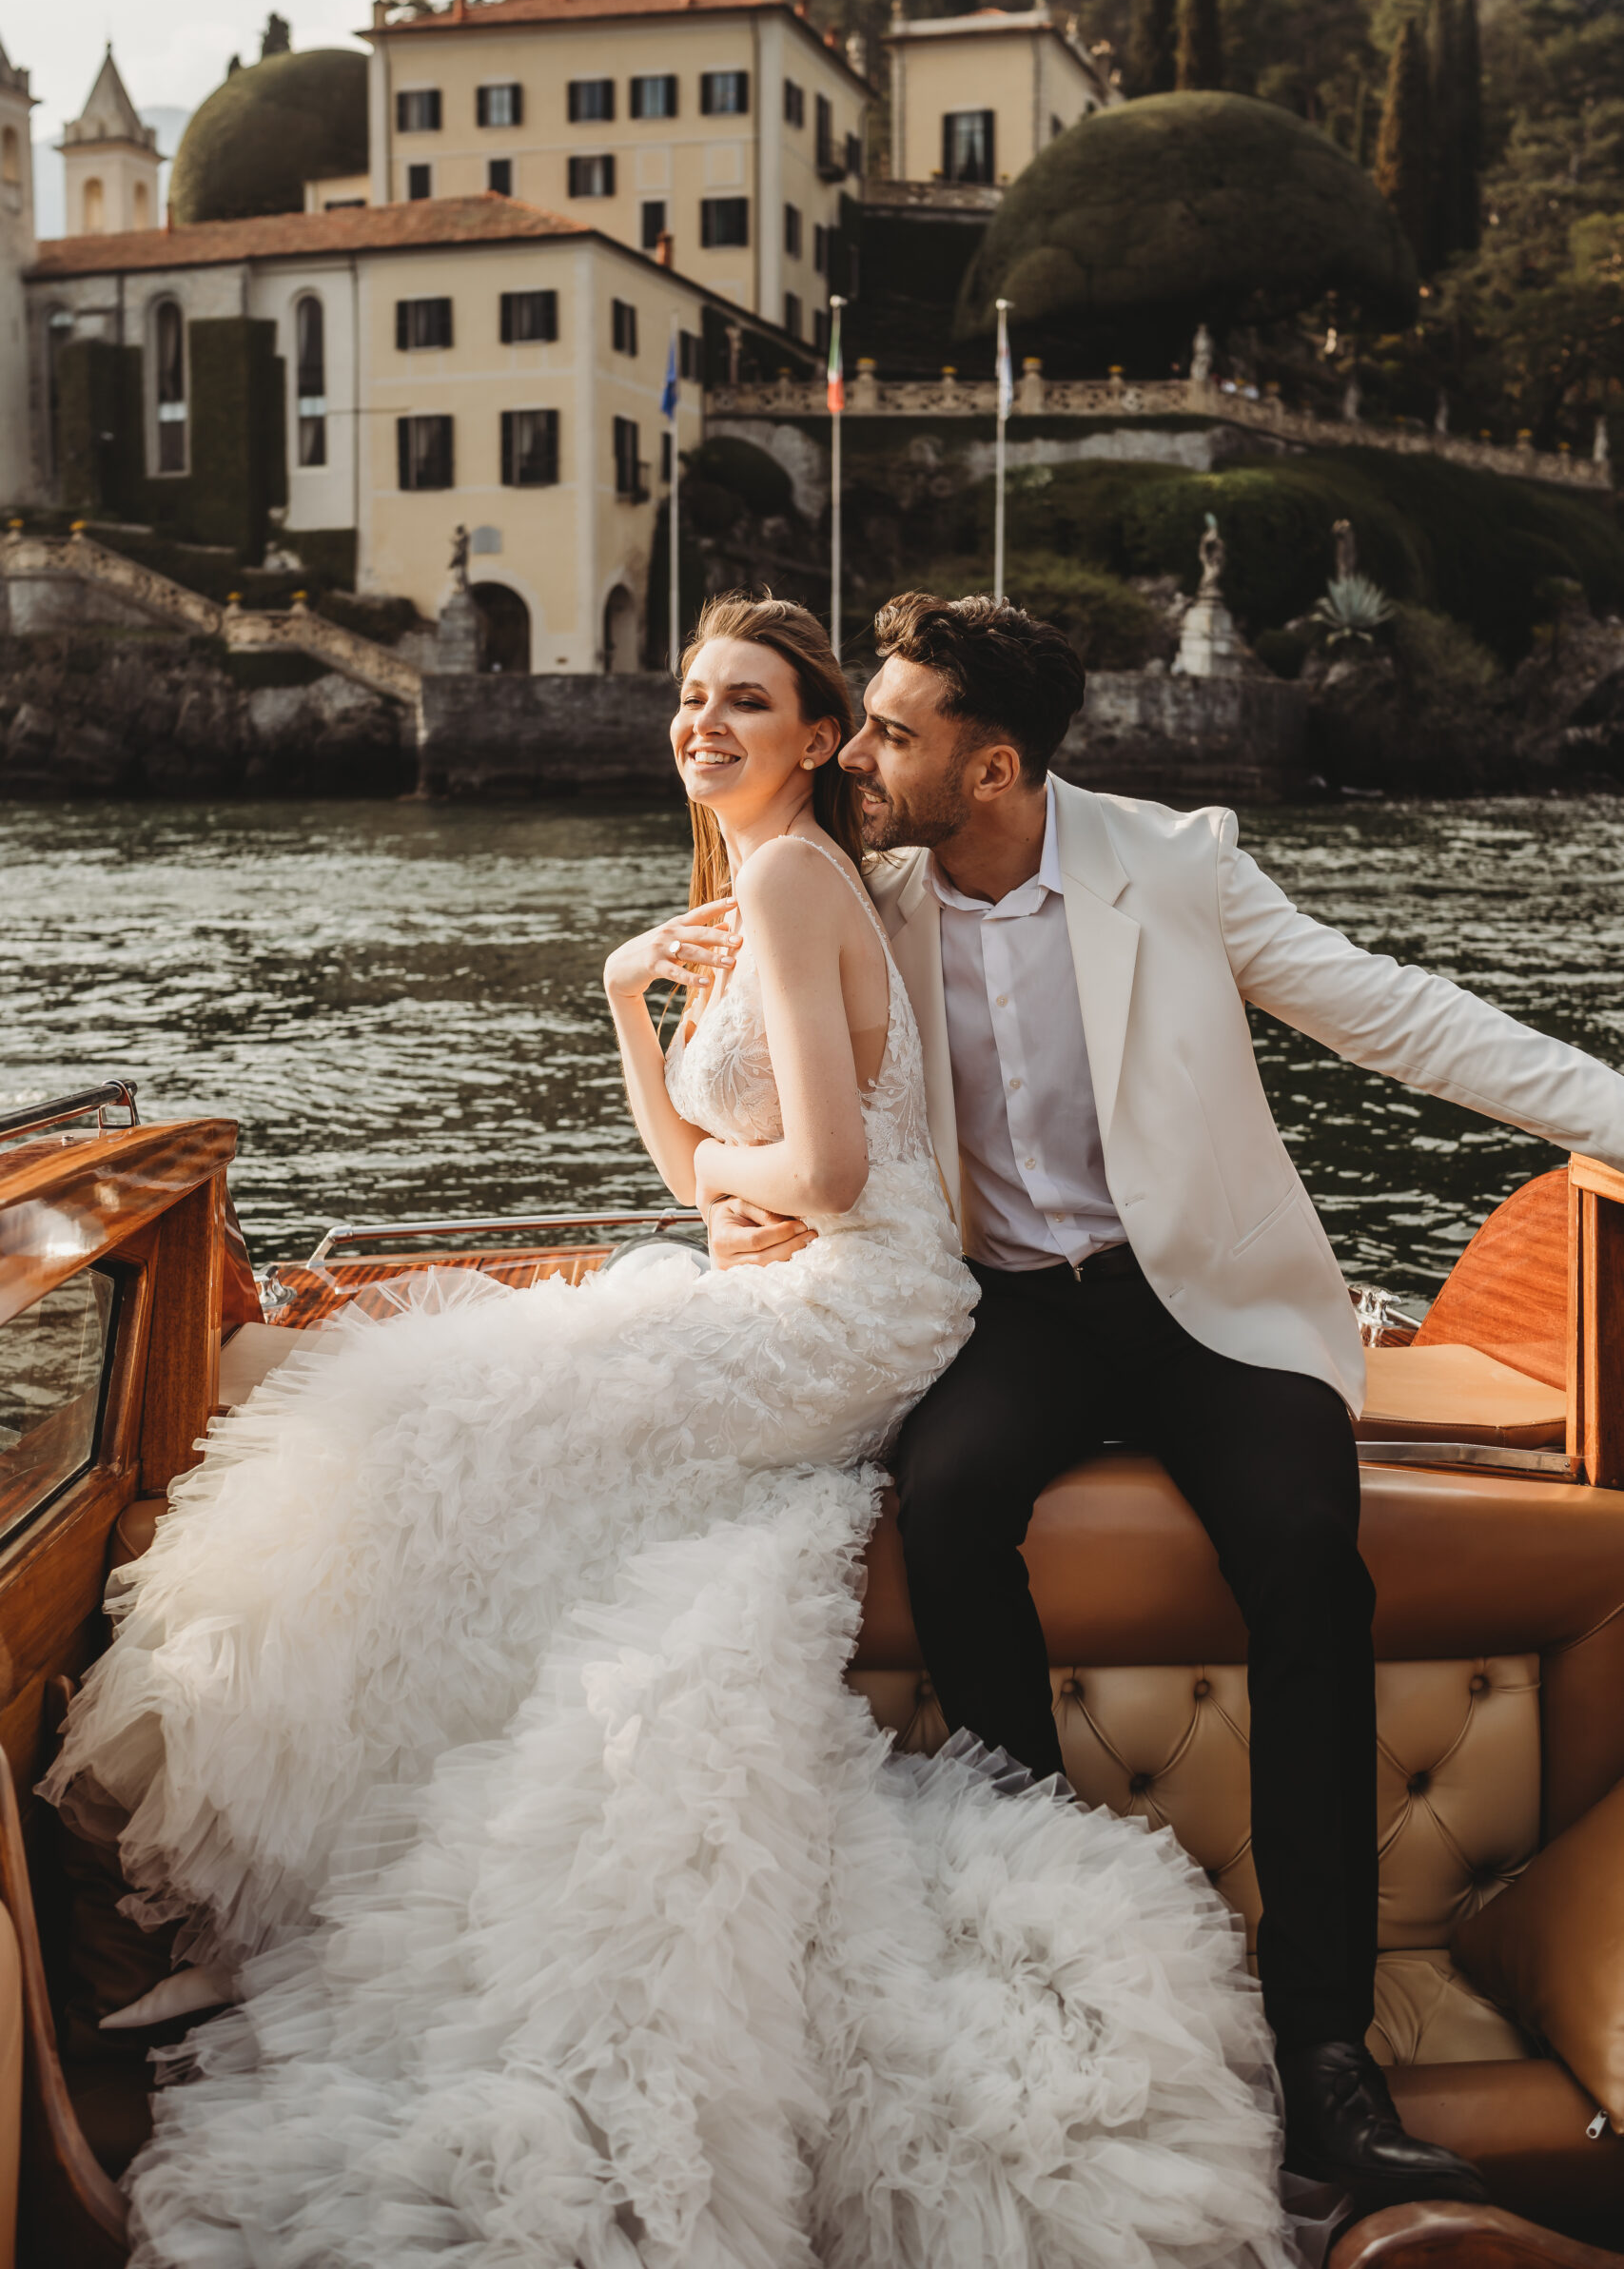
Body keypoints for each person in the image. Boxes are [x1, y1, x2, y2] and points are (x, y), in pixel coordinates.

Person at [46, 595, 1294, 2269]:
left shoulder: (791, 874)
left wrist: (731, 1185)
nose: (703, 724)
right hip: (799, 1282)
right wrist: (631, 1002)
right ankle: (320, 1910)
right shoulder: (745, 881)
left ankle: (296, 1909)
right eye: (692, 698)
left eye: (745, 703)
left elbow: (832, 1178)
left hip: (863, 1300)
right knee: (460, 1435)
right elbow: (694, 1170)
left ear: (814, 736)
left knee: (422, 1427)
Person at [707, 589, 1624, 2217]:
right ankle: (1048, 1920)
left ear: (993, 770)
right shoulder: (874, 885)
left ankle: (1327, 2048)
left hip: (1203, 1301)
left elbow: (1399, 1014)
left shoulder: (1177, 866)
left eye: (897, 732)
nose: (863, 751)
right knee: (956, 1499)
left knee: (1303, 1549)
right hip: (1013, 1311)